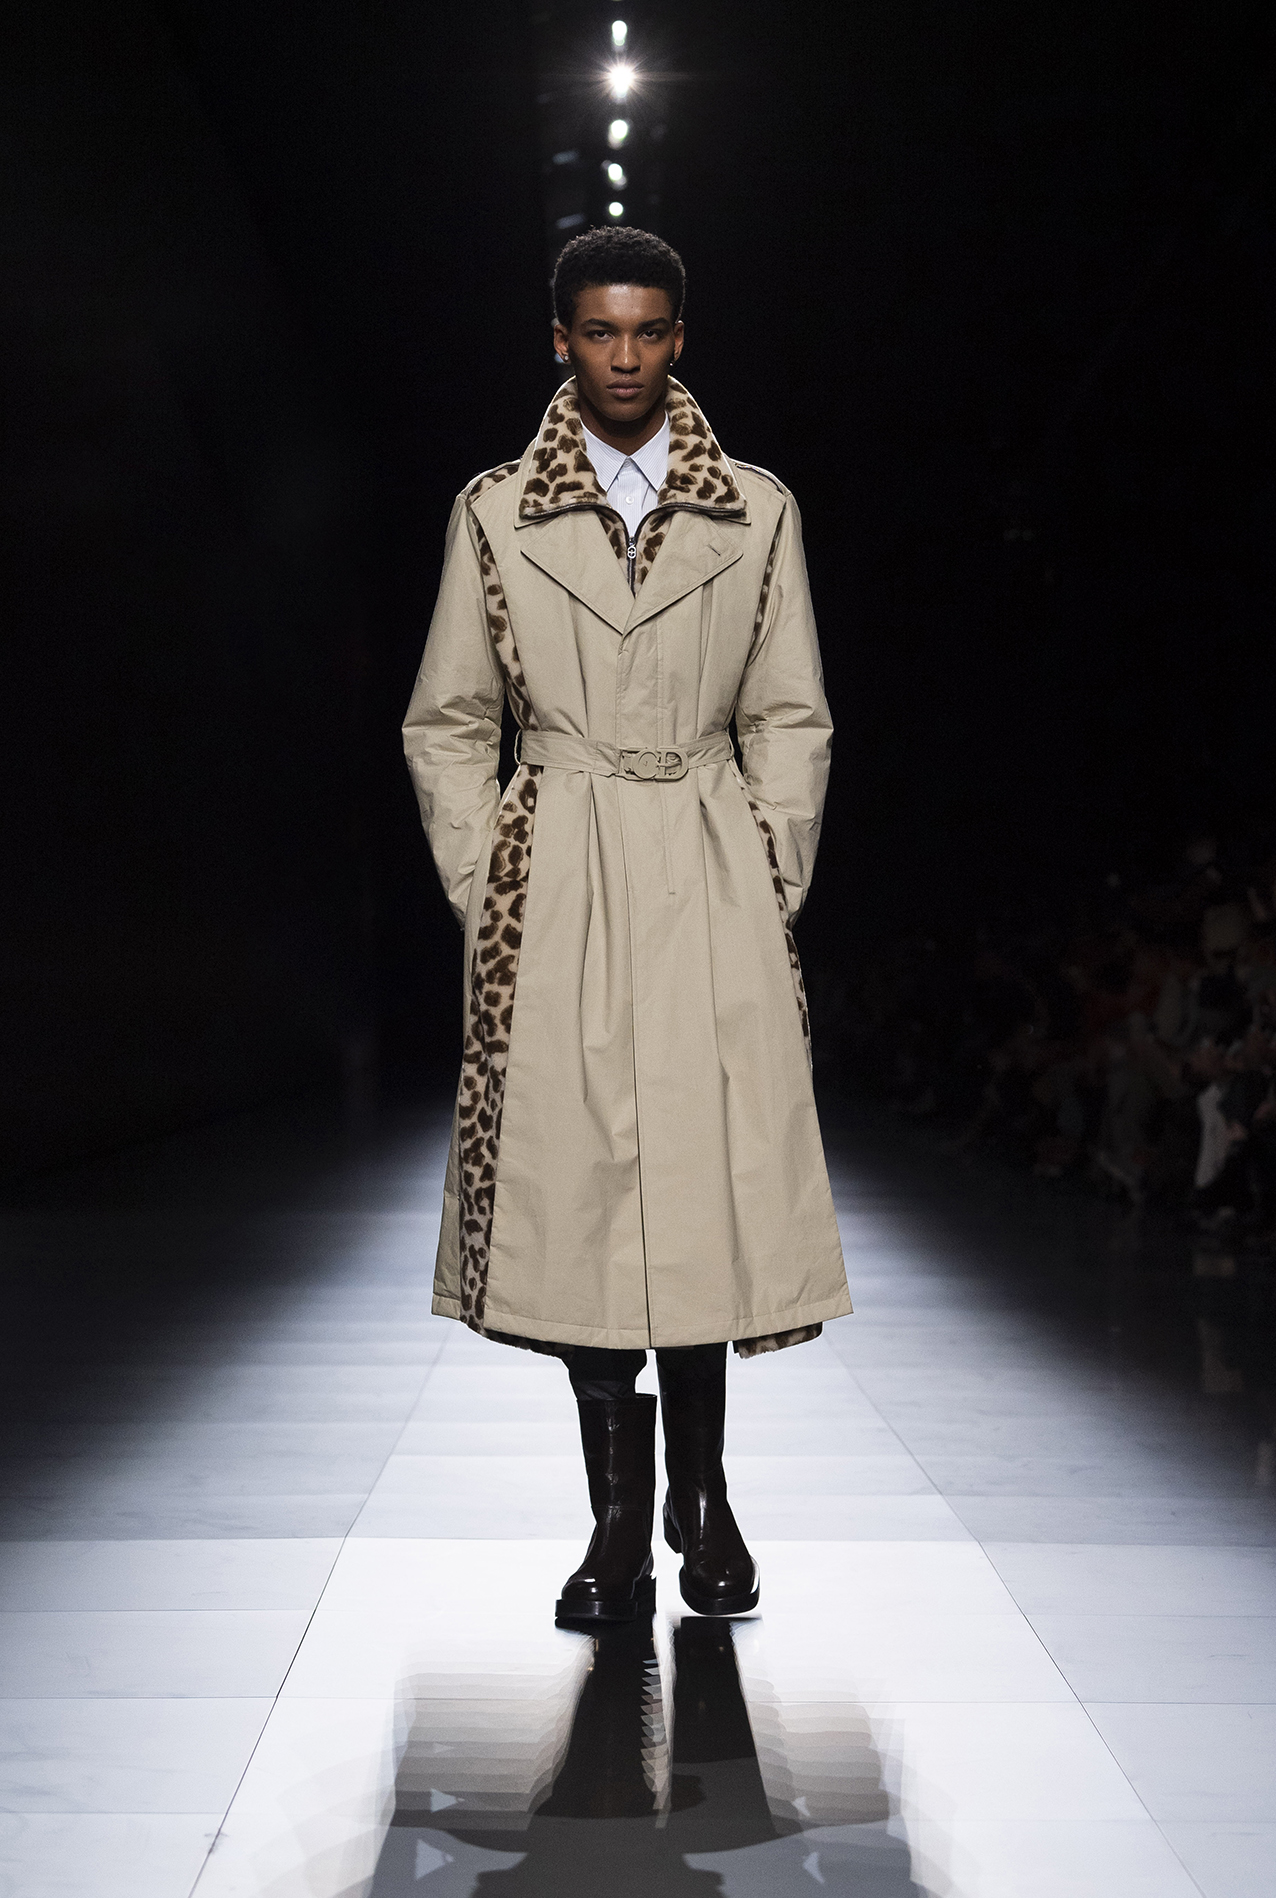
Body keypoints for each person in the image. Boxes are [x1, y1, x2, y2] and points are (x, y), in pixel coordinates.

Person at [402, 227, 850, 1626]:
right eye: (600, 332)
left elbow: (791, 713)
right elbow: (449, 718)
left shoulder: (755, 511)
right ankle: (612, 1530)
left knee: (701, 1187)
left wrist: (767, 862)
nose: (625, 357)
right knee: (582, 1196)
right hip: (561, 867)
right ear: (561, 339)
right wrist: (492, 875)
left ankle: (700, 1505)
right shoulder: (496, 515)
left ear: (677, 339)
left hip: (708, 859)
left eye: (648, 332)